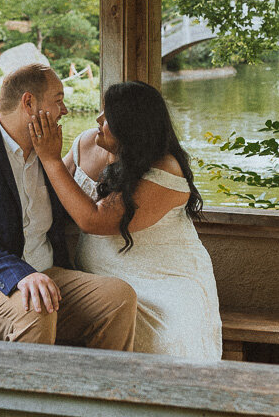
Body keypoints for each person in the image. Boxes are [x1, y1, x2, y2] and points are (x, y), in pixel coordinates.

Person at [0, 63, 137, 349]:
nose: (65, 111)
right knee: (36, 308)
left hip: (44, 273)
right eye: (58, 101)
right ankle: (32, 395)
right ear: (28, 103)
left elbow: (78, 210)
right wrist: (20, 274)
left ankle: (98, 392)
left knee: (118, 297)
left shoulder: (48, 152)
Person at [28, 80, 222, 362]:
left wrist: (51, 159)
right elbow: (51, 194)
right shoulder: (86, 143)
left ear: (131, 127)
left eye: (108, 117)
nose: (98, 120)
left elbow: (94, 220)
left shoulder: (165, 169)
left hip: (163, 282)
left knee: (162, 340)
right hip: (102, 285)